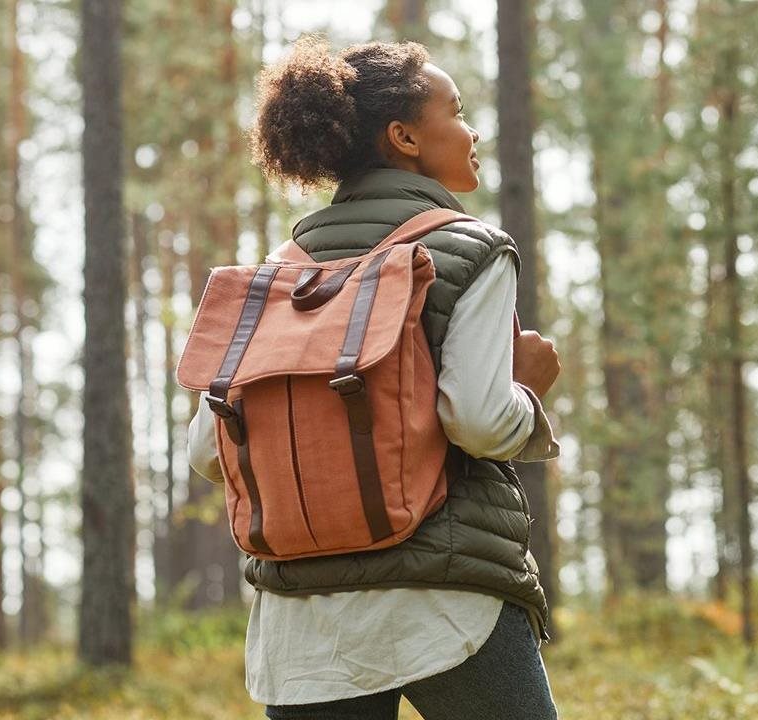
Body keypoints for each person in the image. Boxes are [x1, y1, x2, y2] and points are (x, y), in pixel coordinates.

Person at [185, 36, 562, 720]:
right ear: (405, 137)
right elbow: (478, 421)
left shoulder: (277, 272)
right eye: (456, 109)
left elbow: (206, 451)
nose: (472, 128)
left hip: (303, 627)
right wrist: (529, 390)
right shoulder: (467, 248)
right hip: (447, 600)